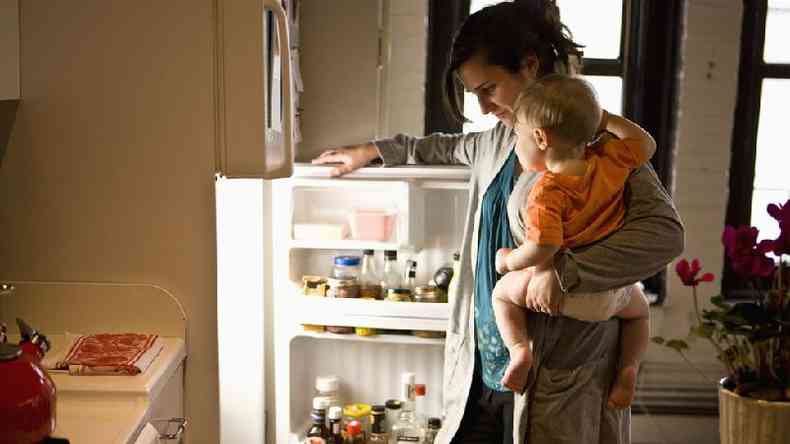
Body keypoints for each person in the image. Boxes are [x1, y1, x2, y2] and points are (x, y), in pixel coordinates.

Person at [312, 1, 684, 443]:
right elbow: (444, 147)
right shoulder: (498, 141)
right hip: (484, 373)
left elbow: (664, 236)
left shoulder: (595, 148)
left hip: (561, 375)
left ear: (528, 66)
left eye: (489, 88)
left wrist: (564, 274)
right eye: (476, 95)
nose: (485, 107)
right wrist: (372, 150)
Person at [491, 75, 653, 412]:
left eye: (517, 137)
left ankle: (520, 350)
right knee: (640, 313)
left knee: (502, 294)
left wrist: (508, 261)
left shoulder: (546, 191)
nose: (517, 146)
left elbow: (543, 248)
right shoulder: (610, 160)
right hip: (610, 292)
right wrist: (606, 120)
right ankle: (629, 367)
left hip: (566, 294)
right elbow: (646, 144)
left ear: (539, 137)